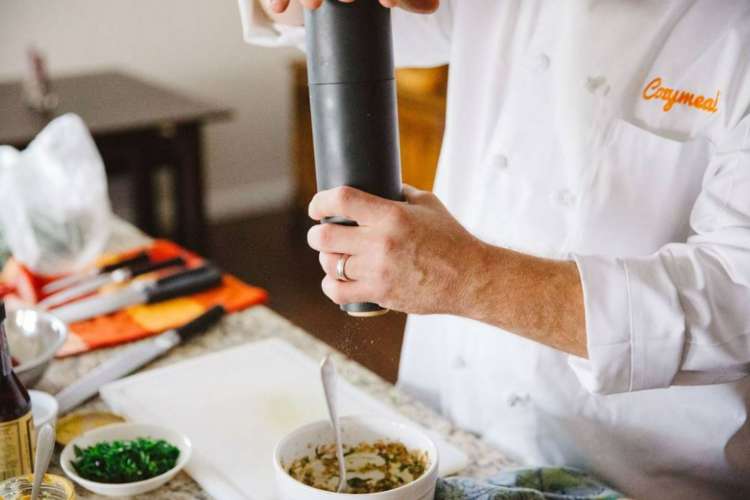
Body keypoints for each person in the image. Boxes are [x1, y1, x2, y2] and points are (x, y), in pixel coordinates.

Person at [238, 1, 750, 497]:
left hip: (640, 473)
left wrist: (468, 278)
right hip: (452, 429)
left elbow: (735, 299)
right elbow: (363, 22)